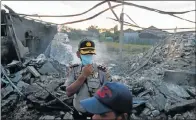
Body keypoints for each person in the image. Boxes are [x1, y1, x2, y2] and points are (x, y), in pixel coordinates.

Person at [65, 38, 112, 119]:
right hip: (79, 115)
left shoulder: (101, 71)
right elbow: (69, 92)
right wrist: (83, 76)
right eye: (85, 54)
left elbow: (110, 94)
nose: (88, 56)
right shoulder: (73, 70)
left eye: (90, 54)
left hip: (97, 116)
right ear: (78, 54)